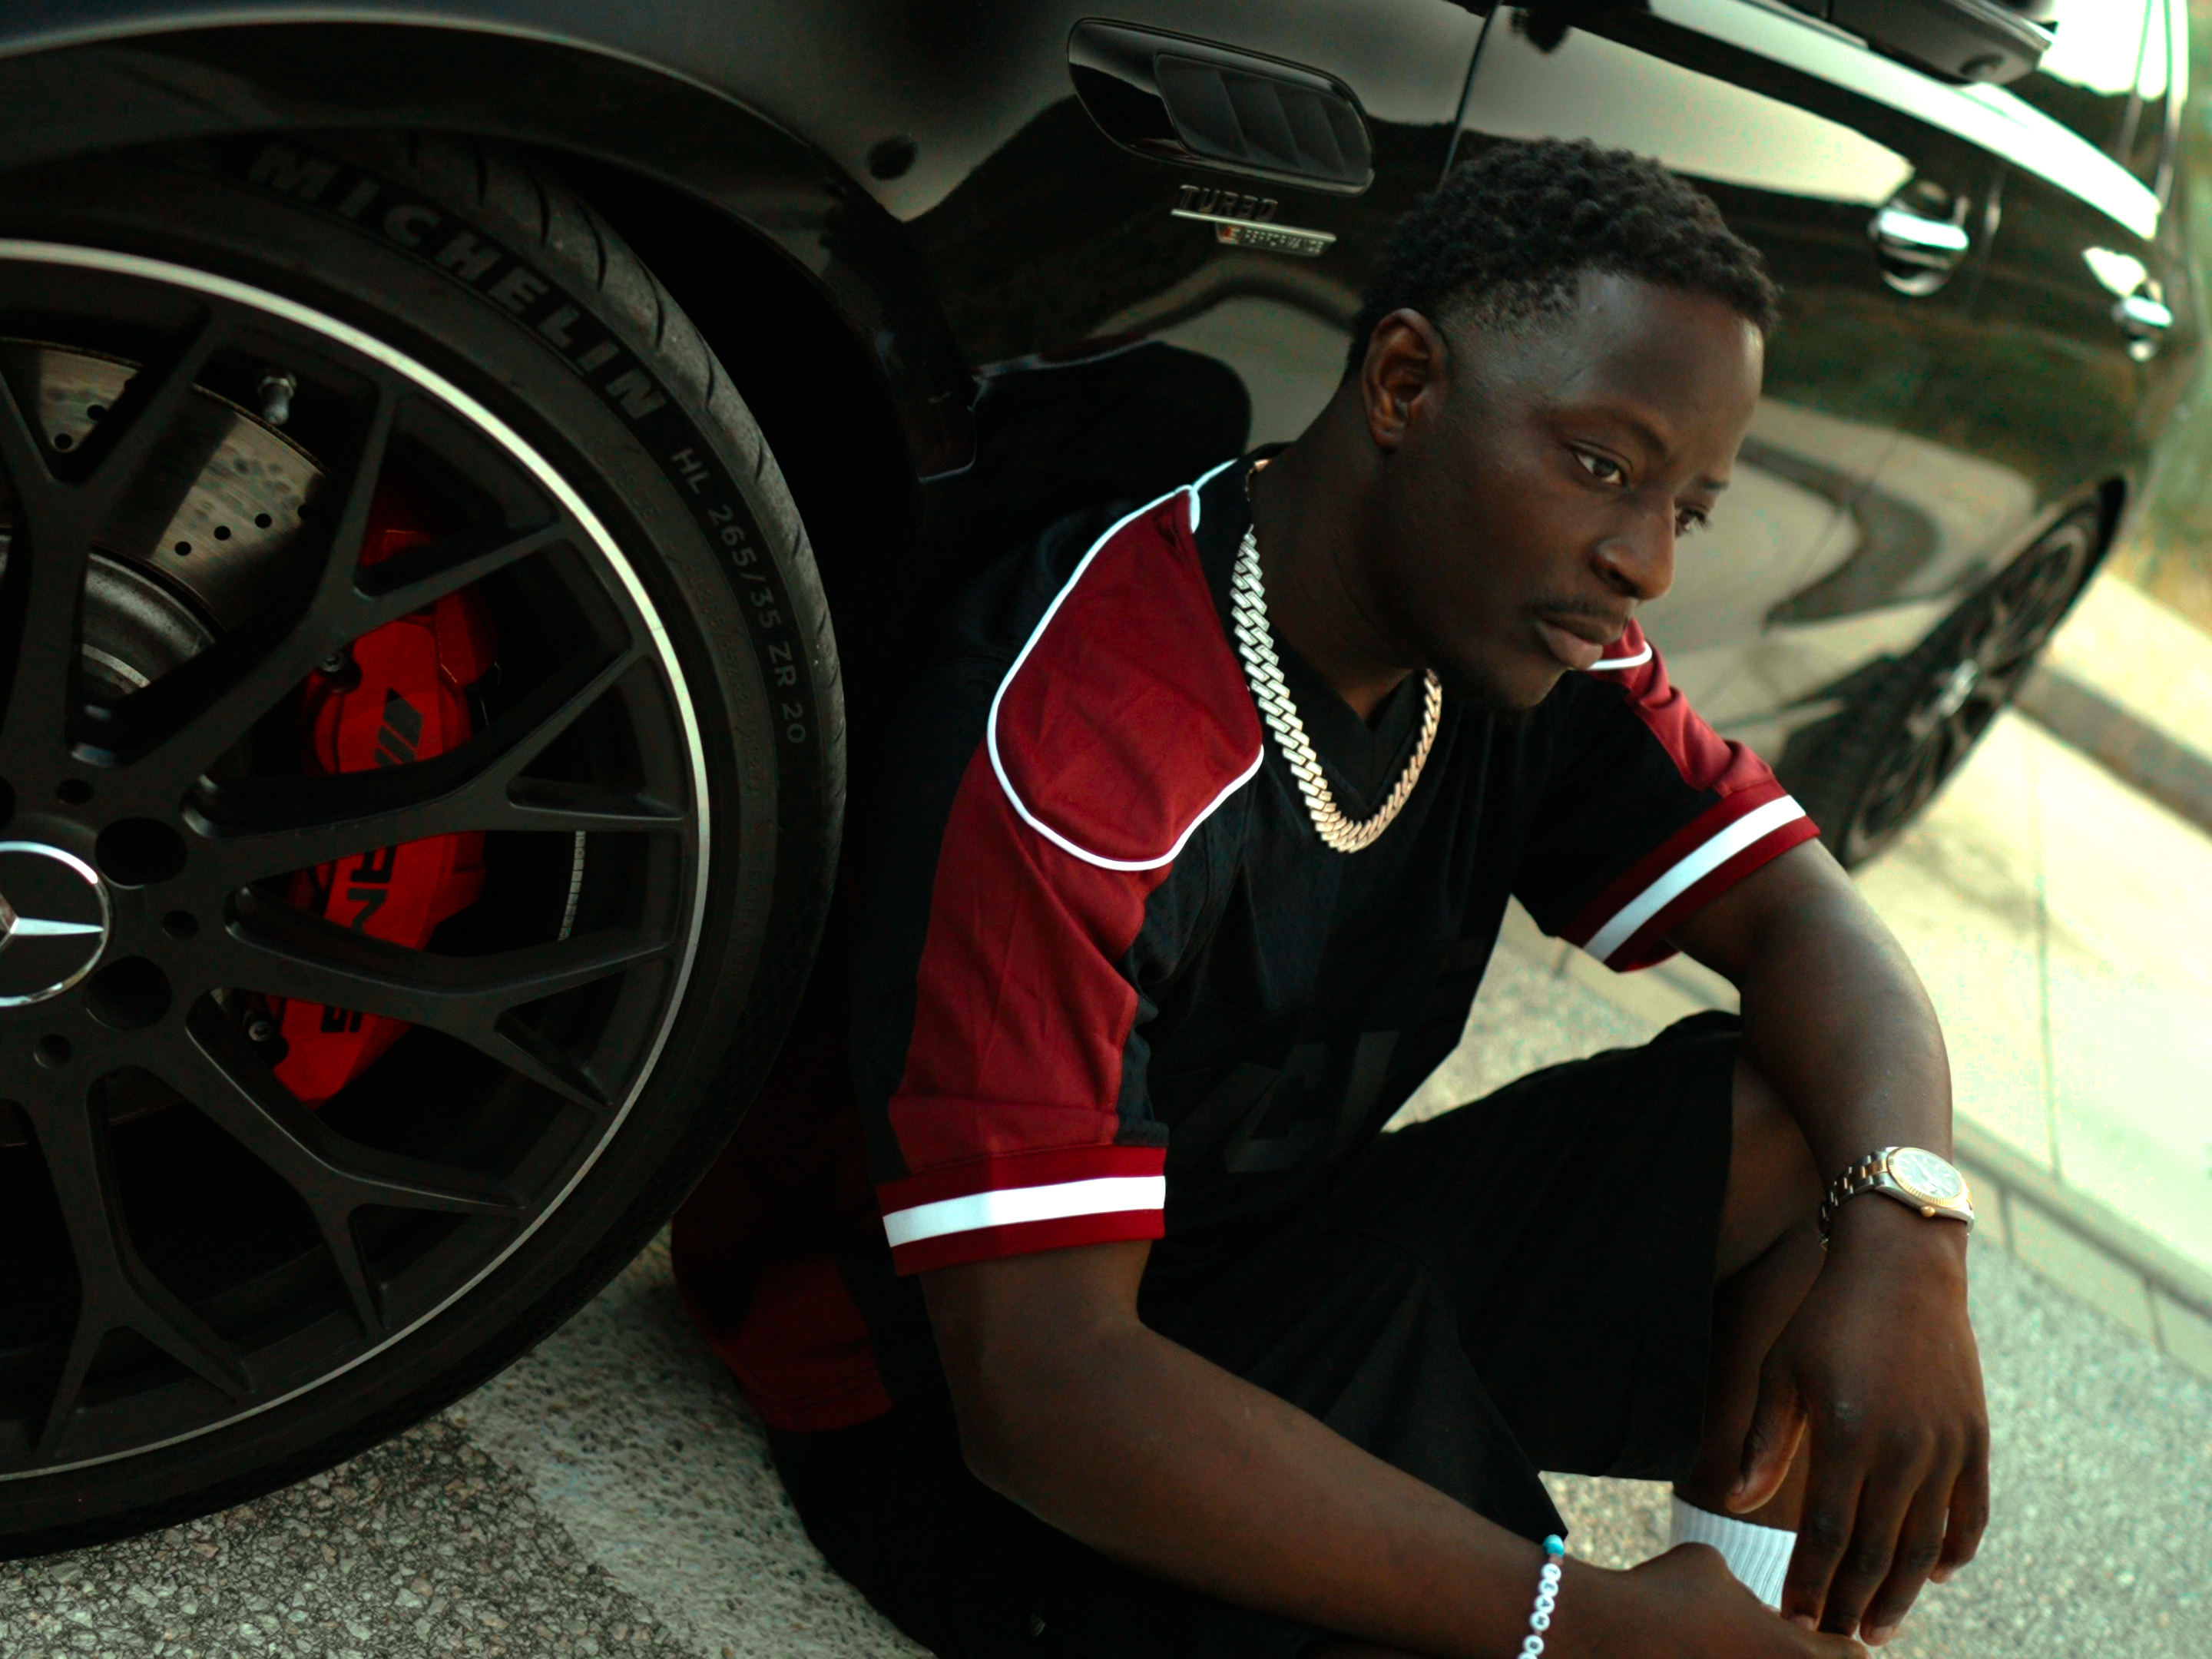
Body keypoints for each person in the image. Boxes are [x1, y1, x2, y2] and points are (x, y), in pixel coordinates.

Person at [671, 137, 1989, 1659]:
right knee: (1509, 1623)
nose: (1642, 561)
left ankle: (1752, 1630)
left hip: (1252, 1272)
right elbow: (1044, 1394)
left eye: (1685, 507)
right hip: (958, 1402)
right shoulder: (1096, 743)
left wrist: (1912, 1234)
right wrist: (1586, 1626)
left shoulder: (1537, 642)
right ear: (1407, 386)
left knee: (1826, 1126)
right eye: (1604, 466)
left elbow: (1816, 925)